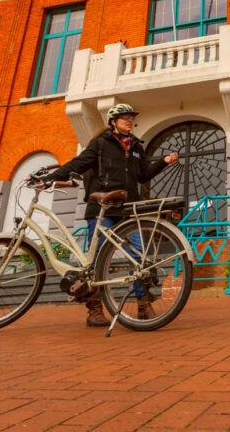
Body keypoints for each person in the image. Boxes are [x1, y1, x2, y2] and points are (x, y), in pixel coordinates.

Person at [47, 103, 179, 327]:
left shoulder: (136, 147)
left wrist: (163, 162)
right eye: (124, 117)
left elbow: (142, 175)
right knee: (98, 260)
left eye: (131, 117)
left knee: (138, 258)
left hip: (129, 208)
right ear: (113, 121)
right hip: (103, 209)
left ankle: (143, 306)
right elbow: (78, 164)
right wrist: (52, 176)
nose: (129, 120)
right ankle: (95, 309)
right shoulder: (100, 144)